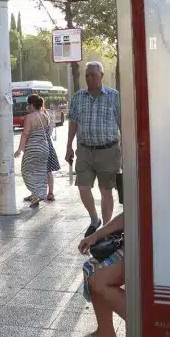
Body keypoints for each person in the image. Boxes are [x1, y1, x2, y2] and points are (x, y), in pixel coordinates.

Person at [65, 61, 121, 237]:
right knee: (83, 187)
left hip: (108, 151)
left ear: (101, 76)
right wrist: (69, 145)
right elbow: (73, 123)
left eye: (93, 75)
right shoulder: (78, 97)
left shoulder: (114, 96)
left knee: (106, 191)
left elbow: (122, 123)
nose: (89, 78)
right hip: (84, 150)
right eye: (87, 75)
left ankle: (106, 228)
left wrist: (127, 149)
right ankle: (94, 219)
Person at [75, 212, 125, 337]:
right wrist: (95, 236)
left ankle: (149, 328)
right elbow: (132, 214)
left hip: (155, 247)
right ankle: (105, 333)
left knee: (97, 277)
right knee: (91, 268)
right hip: (137, 241)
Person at [14, 94, 54, 208]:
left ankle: (37, 194)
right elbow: (49, 131)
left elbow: (25, 134)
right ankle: (38, 195)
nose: (27, 107)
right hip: (45, 147)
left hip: (33, 147)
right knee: (41, 172)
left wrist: (19, 149)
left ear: (31, 104)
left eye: (28, 104)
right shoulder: (45, 116)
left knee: (26, 171)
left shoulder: (29, 117)